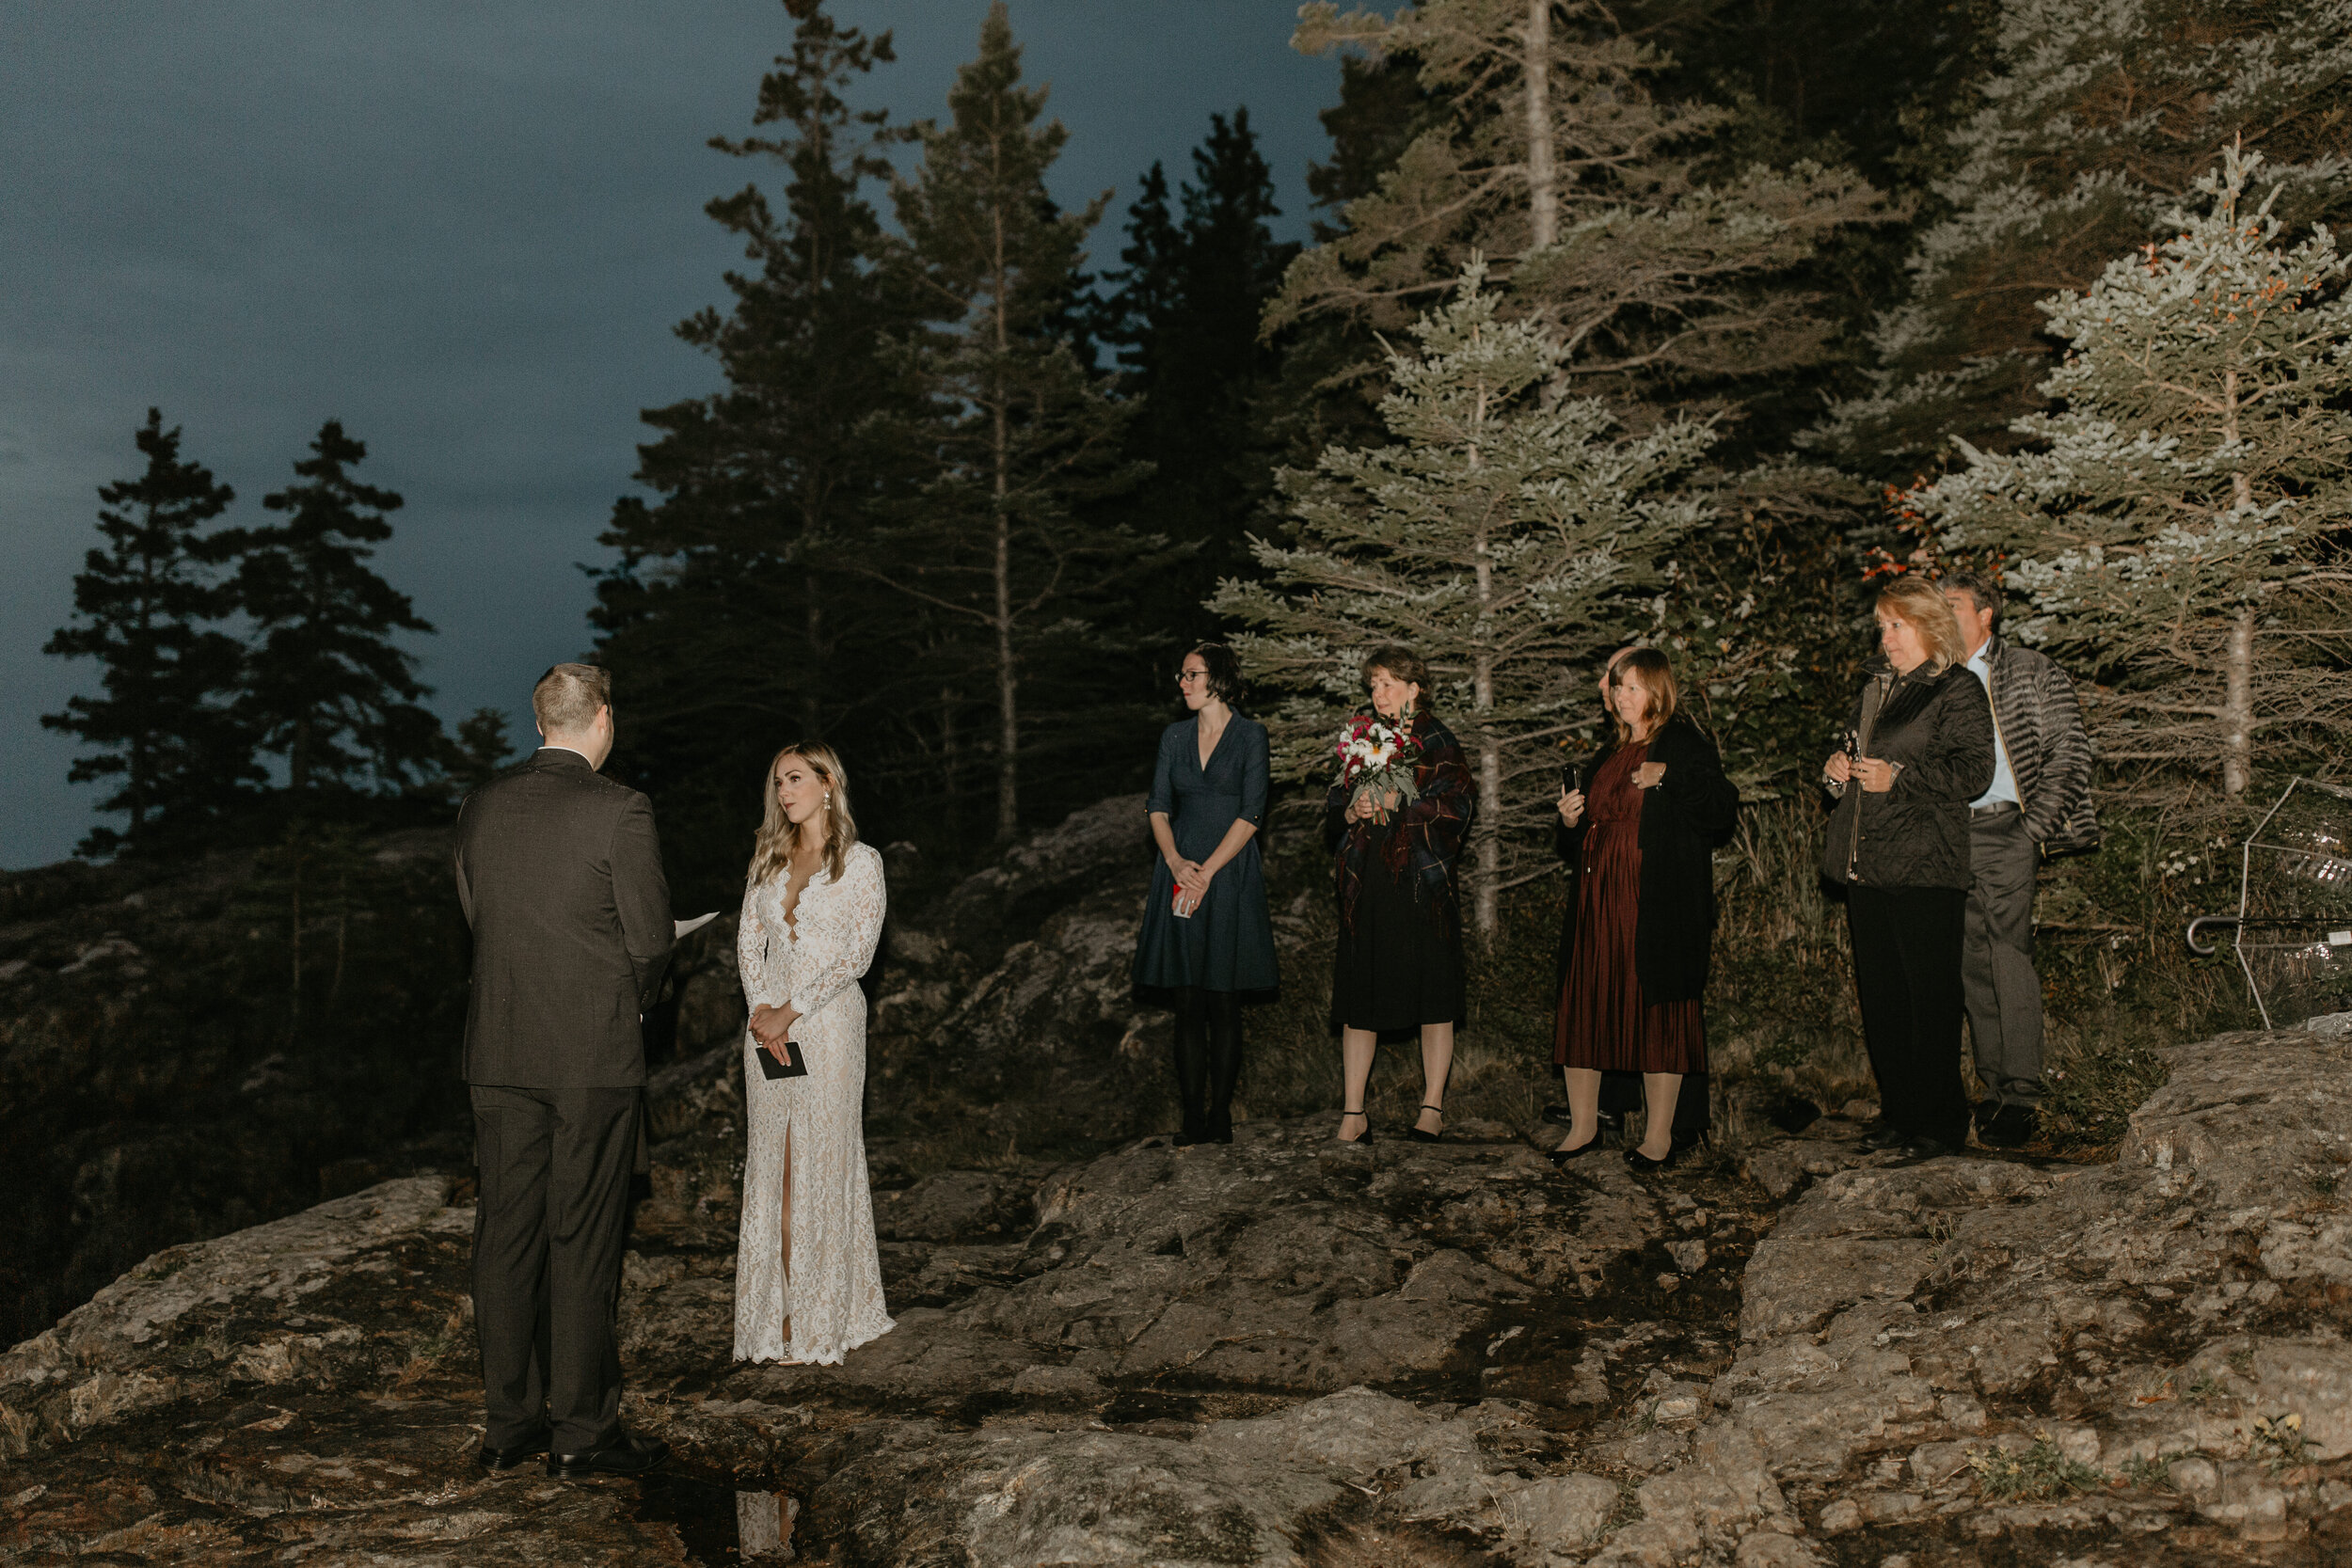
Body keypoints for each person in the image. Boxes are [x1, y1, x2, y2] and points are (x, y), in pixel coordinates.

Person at [454, 663, 673, 1479]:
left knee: (504, 1236)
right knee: (581, 1236)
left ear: (539, 720)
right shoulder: (621, 808)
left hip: (501, 1049)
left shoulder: (482, 804)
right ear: (604, 719)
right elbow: (650, 941)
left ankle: (509, 1426)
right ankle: (582, 1431)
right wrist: (628, 1001)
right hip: (590, 1055)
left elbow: (476, 913)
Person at [1820, 578, 1996, 1160]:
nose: (1885, 637)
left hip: (1925, 864)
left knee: (1930, 998)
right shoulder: (1875, 686)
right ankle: (1899, 1113)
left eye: (1895, 625)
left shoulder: (1956, 688)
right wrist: (1836, 768)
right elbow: (1851, 755)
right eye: (1882, 626)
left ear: (1927, 627)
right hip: (1867, 861)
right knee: (1884, 999)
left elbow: (1974, 770)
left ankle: (1940, 1124)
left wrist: (1900, 778)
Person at [734, 741, 894, 1367]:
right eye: (777, 782)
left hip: (827, 1028)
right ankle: (774, 1317)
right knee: (772, 1165)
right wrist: (760, 1011)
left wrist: (792, 1008)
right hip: (765, 1034)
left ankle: (822, 1314)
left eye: (795, 778)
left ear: (829, 783)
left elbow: (857, 956)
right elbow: (749, 942)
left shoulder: (861, 863)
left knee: (821, 1163)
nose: (784, 791)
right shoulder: (768, 860)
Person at [1552, 650, 1740, 1170]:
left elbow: (1722, 808)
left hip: (1652, 898)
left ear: (1658, 691)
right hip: (1596, 898)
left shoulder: (1679, 743)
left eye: (1633, 687)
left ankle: (1658, 1137)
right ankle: (1583, 1127)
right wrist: (1570, 822)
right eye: (1617, 687)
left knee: (1657, 1007)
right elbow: (1587, 831)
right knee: (1587, 999)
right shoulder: (1611, 751)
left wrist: (1670, 777)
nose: (1621, 696)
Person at [1942, 568, 2098, 1148]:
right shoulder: (1934, 678)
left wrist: (2033, 829)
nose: (1942, 614)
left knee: (2008, 953)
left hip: (2008, 826)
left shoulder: (2031, 670)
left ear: (1986, 615)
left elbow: (2071, 751)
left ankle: (2024, 1094)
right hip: (1950, 834)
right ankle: (1993, 1089)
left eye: (1953, 604)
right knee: (1970, 961)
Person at [1327, 645, 1474, 1143]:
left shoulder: (1438, 742)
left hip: (1421, 882)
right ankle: (1353, 1111)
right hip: (1368, 881)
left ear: (1415, 689)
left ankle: (1432, 1107)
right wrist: (1352, 809)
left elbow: (1457, 810)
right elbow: (1333, 801)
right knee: (1360, 989)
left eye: (1390, 683)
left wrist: (1401, 801)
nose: (1379, 693)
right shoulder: (1364, 739)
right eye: (1373, 684)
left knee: (1432, 994)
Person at [1134, 642, 1279, 1145]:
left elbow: (1252, 812)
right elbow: (1157, 804)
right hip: (1179, 868)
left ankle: (1221, 1116)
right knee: (1187, 999)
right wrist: (1176, 862)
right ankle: (1191, 1116)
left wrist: (1209, 872)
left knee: (1223, 1000)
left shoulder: (1250, 735)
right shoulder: (1174, 737)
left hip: (1229, 872)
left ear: (1217, 678)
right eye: (1181, 674)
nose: (1183, 682)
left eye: (1192, 674)